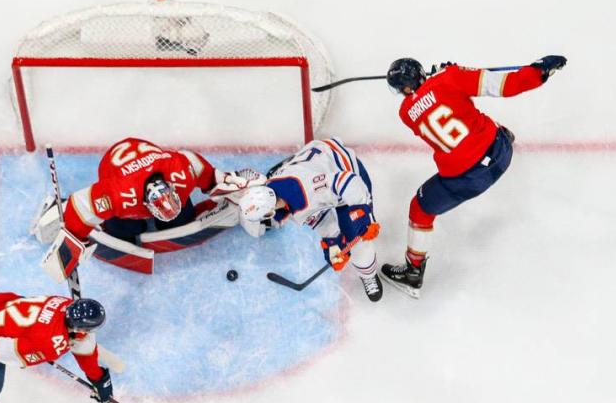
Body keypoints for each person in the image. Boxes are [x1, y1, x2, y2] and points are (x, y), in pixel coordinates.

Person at [380, 55, 566, 298]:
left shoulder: (406, 113)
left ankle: (413, 273)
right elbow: (505, 85)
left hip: (467, 179)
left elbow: (427, 99)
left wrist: (440, 78)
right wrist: (539, 71)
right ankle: (503, 136)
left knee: (420, 209)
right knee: (478, 122)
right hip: (501, 152)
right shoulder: (451, 78)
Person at [34, 137, 240, 275]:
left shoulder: (181, 171)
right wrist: (72, 242)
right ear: (144, 204)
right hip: (115, 169)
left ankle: (170, 215)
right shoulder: (119, 195)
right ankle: (59, 206)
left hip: (145, 162)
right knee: (127, 231)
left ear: (172, 186)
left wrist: (228, 186)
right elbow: (82, 204)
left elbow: (204, 171)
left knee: (178, 220)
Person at [236, 138, 383, 301]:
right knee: (344, 230)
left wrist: (363, 215)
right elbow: (320, 218)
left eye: (263, 217)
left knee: (358, 236)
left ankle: (368, 274)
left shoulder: (306, 190)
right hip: (320, 165)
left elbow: (348, 182)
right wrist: (333, 244)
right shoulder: (277, 195)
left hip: (344, 167)